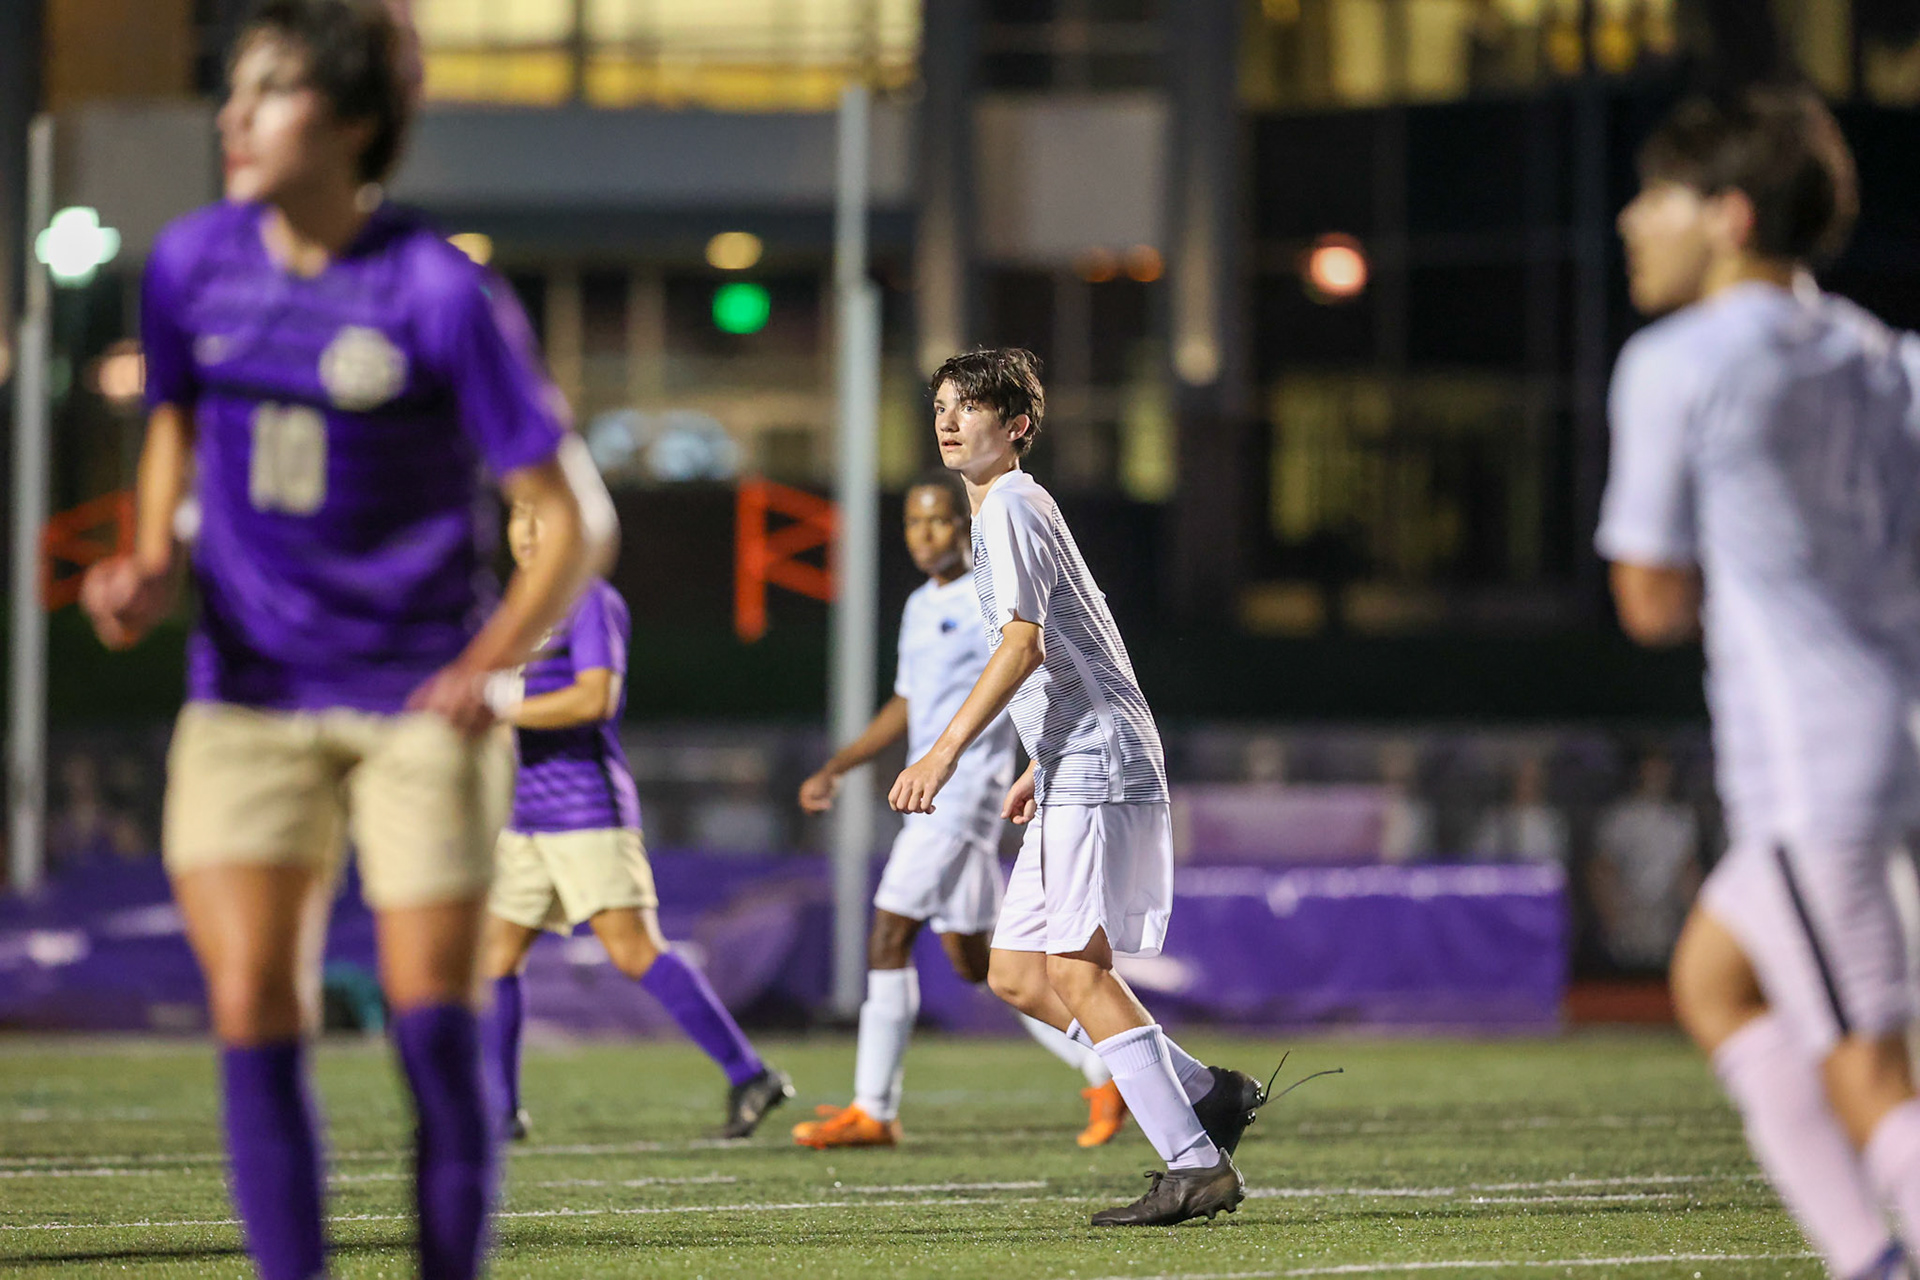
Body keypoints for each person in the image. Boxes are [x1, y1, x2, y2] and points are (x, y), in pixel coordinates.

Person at [78, 3, 617, 1277]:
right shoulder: (191, 262)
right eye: (235, 91)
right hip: (246, 700)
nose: (232, 116)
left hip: (413, 710)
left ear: (355, 123)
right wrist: (152, 557)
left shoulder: (440, 291)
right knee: (254, 1008)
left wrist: (488, 662)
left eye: (268, 93)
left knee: (435, 1028)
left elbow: (573, 515)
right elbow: (170, 416)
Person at [1601, 86, 1920, 1280]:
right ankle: (1862, 1254)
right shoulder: (1884, 352)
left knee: (1873, 1071)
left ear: (1728, 214)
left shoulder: (1680, 359)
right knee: (1714, 979)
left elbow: (1649, 600)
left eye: (1658, 196)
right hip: (1893, 730)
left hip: (1808, 764)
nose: (1634, 221)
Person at [889, 349, 1269, 1227]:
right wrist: (1036, 756)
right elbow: (1074, 639)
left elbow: (1021, 644)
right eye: (941, 405)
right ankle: (1208, 1092)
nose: (948, 420)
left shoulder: (1013, 505)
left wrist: (944, 753)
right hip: (1070, 759)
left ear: (1016, 426)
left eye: (970, 407)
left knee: (1077, 970)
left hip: (1097, 759)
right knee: (1019, 974)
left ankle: (1195, 1164)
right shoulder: (1004, 512)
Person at [792, 471, 1129, 1151]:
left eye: (939, 520)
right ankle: (1109, 1067)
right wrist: (840, 765)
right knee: (980, 965)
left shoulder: (992, 598)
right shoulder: (920, 606)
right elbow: (909, 704)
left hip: (964, 791)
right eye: (914, 524)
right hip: (933, 796)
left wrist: (1039, 759)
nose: (925, 535)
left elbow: (1033, 666)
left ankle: (874, 1108)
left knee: (888, 934)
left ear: (964, 525)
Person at [479, 502, 792, 1142]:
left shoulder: (589, 598)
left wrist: (502, 710)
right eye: (519, 514)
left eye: (544, 512)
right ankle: (501, 1111)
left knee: (633, 950)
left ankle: (748, 1072)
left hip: (584, 810)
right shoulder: (517, 607)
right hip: (526, 816)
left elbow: (597, 697)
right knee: (494, 957)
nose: (529, 528)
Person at [1589, 751, 1700, 967]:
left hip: (1666, 916)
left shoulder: (1680, 818)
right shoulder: (1620, 817)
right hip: (1629, 914)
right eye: (1652, 771)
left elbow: (1688, 871)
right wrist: (1612, 918)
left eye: (1662, 771)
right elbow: (1601, 870)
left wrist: (1693, 920)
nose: (1658, 777)